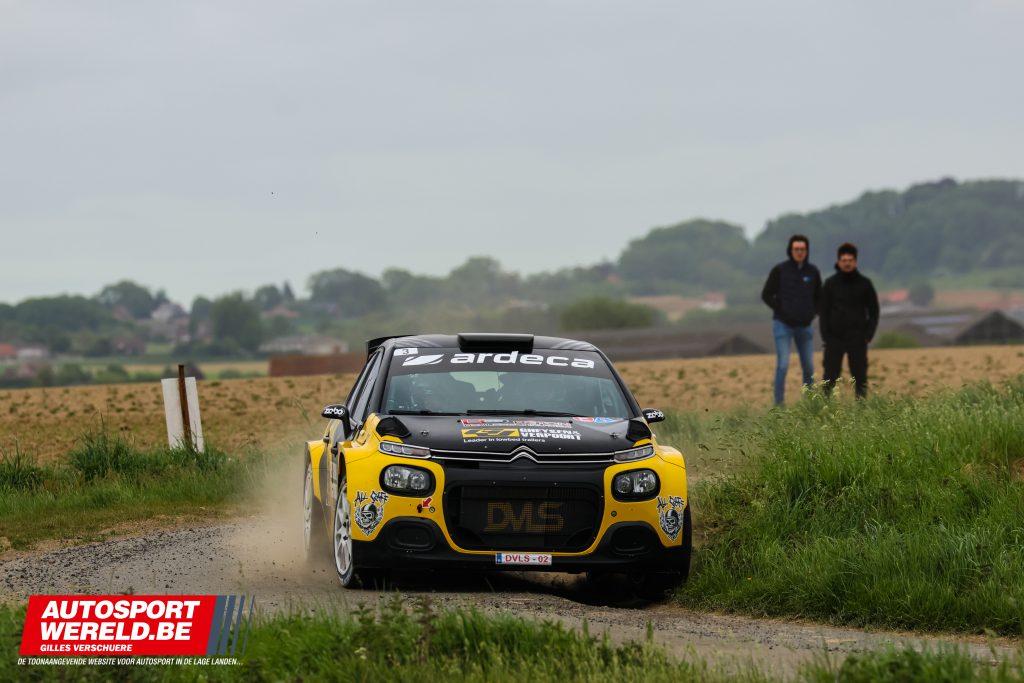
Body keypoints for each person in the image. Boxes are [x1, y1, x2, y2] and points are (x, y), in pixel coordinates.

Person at [761, 234, 822, 406]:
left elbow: (820, 297)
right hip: (783, 325)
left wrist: (812, 313)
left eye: (802, 249)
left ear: (807, 251)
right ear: (790, 250)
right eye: (796, 249)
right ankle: (779, 405)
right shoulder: (780, 270)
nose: (799, 252)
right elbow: (766, 294)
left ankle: (809, 404)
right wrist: (781, 310)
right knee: (783, 364)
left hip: (805, 326)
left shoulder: (813, 272)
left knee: (809, 367)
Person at [819, 242, 879, 398]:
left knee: (860, 377)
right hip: (834, 338)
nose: (847, 263)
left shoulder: (865, 284)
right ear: (839, 262)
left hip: (858, 337)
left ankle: (862, 409)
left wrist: (868, 335)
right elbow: (823, 312)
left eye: (850, 260)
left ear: (855, 262)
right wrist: (826, 336)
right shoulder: (830, 284)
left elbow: (874, 311)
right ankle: (825, 407)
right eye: (844, 260)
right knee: (829, 377)